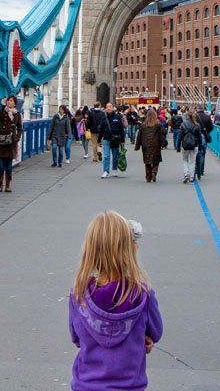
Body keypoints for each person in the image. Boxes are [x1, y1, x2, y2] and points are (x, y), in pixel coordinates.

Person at [69, 211, 163, 391]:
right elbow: (155, 332)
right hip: (130, 386)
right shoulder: (142, 293)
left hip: (86, 385)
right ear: (131, 249)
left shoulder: (78, 293)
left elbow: (77, 338)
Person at [0, 96, 22, 193]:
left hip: (11, 142)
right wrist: (2, 107)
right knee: (0, 166)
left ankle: (8, 185)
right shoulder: (3, 111)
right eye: (8, 101)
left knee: (9, 166)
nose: (10, 102)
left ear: (15, 103)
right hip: (1, 141)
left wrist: (17, 138)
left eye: (12, 101)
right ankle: (0, 184)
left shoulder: (17, 114)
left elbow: (20, 128)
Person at [135, 109, 166, 182]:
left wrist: (137, 146)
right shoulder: (157, 125)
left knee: (147, 162)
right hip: (155, 145)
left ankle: (148, 177)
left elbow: (139, 136)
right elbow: (164, 132)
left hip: (145, 146)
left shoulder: (143, 126)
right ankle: (154, 172)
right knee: (156, 161)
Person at [101, 102, 126, 179]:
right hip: (106, 139)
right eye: (107, 106)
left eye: (110, 106)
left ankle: (115, 169)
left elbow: (121, 129)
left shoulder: (117, 117)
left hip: (115, 139)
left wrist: (122, 140)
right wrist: (99, 139)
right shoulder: (103, 117)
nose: (109, 108)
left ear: (113, 108)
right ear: (105, 108)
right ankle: (106, 171)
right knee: (106, 156)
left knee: (115, 156)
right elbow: (101, 129)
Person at [178, 110, 204, 183]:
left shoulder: (183, 124)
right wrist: (200, 147)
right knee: (192, 162)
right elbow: (199, 137)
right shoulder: (197, 125)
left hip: (185, 145)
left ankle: (186, 175)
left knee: (185, 161)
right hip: (194, 145)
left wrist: (178, 146)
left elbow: (180, 137)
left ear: (187, 116)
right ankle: (192, 177)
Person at [194, 107, 214, 179]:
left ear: (197, 110)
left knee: (195, 153)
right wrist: (206, 132)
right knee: (202, 154)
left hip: (196, 137)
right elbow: (211, 127)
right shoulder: (207, 117)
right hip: (204, 137)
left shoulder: (195, 116)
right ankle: (201, 170)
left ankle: (196, 170)